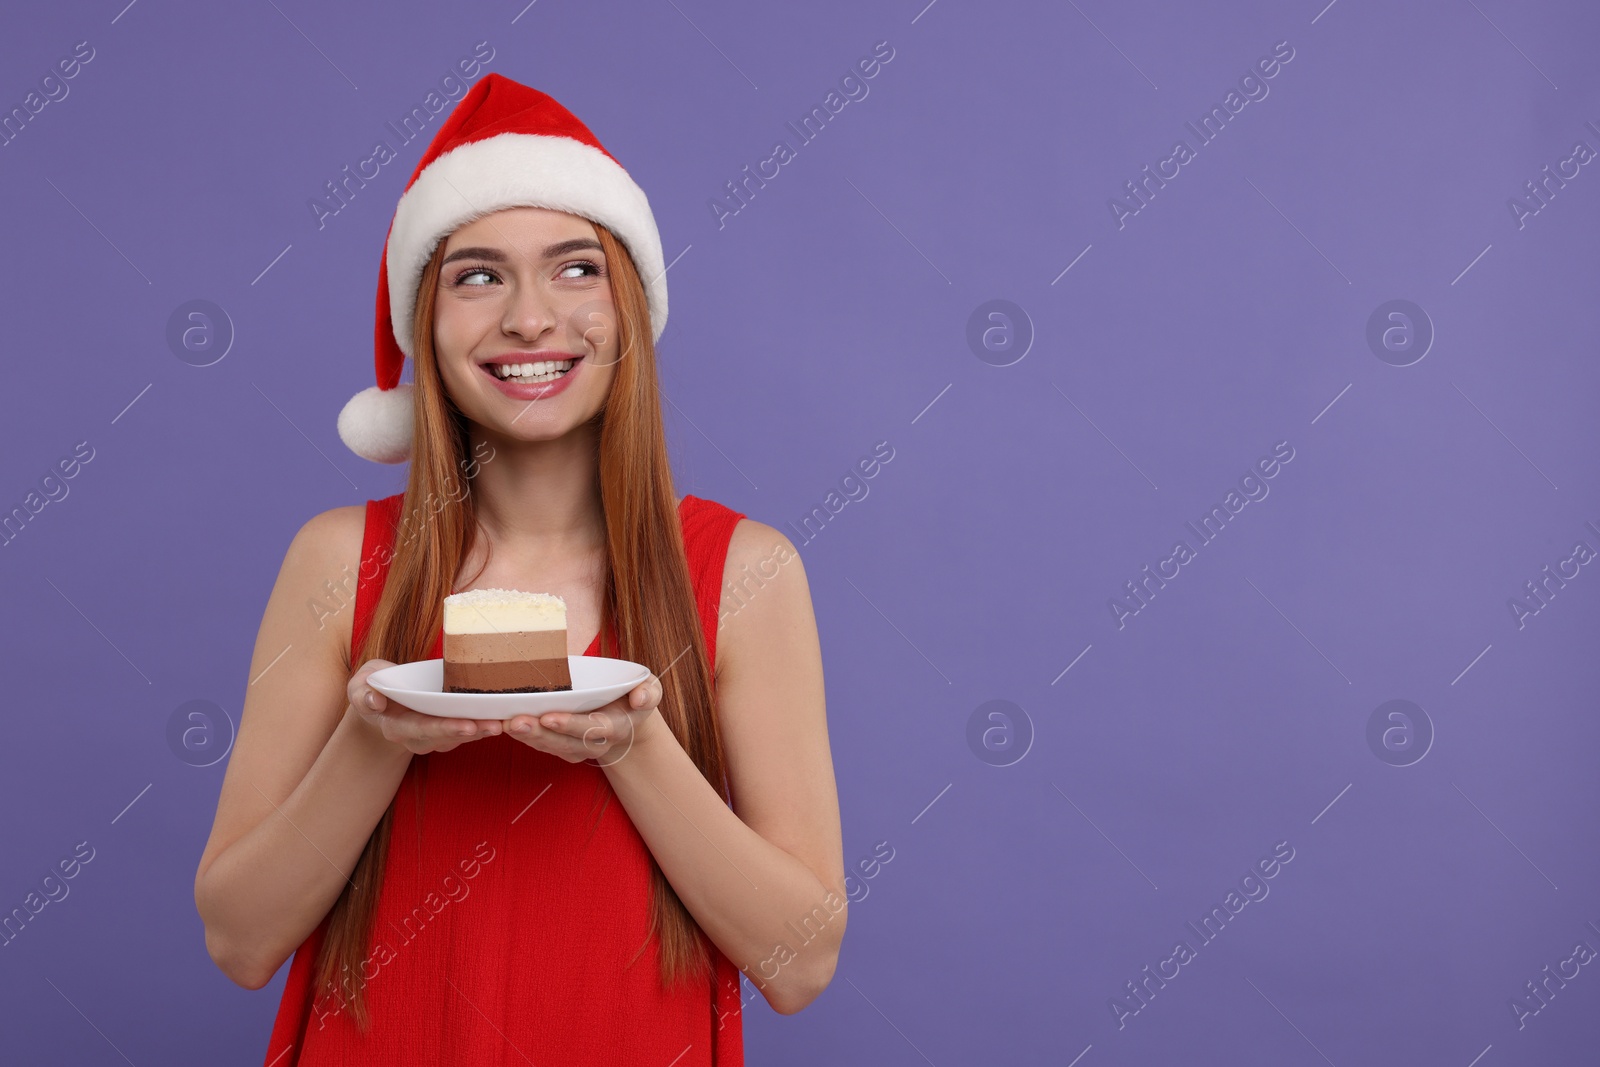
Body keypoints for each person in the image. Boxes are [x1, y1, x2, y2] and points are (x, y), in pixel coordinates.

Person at [192, 74, 844, 1066]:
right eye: (479, 275)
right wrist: (375, 738)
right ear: (428, 321)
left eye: (575, 269)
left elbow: (799, 963)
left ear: (628, 307)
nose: (532, 318)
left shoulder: (744, 573)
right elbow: (239, 939)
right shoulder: (338, 561)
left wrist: (633, 747)